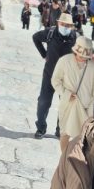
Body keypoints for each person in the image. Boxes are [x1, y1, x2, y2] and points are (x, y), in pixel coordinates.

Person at [51, 36, 94, 153]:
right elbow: (56, 80)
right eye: (80, 55)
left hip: (85, 109)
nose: (82, 58)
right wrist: (65, 93)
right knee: (64, 134)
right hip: (68, 105)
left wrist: (91, 110)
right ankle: (63, 159)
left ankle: (75, 161)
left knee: (82, 138)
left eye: (85, 56)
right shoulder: (64, 61)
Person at [32, 12, 77, 140]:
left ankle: (60, 129)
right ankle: (41, 128)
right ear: (58, 23)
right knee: (43, 102)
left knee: (64, 104)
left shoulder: (76, 38)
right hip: (49, 75)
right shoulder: (50, 33)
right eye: (63, 24)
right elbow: (35, 37)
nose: (65, 27)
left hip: (66, 79)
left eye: (68, 25)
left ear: (72, 26)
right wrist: (44, 54)